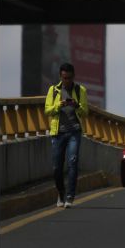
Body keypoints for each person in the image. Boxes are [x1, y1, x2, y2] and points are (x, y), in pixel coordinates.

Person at [44, 63, 89, 208]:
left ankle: (70, 196)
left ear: (73, 76)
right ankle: (61, 192)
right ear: (60, 77)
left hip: (74, 131)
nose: (67, 81)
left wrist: (77, 105)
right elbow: (47, 110)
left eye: (69, 78)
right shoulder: (54, 90)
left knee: (72, 162)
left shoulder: (80, 90)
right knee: (57, 167)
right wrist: (59, 105)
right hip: (58, 133)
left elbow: (85, 112)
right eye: (64, 78)